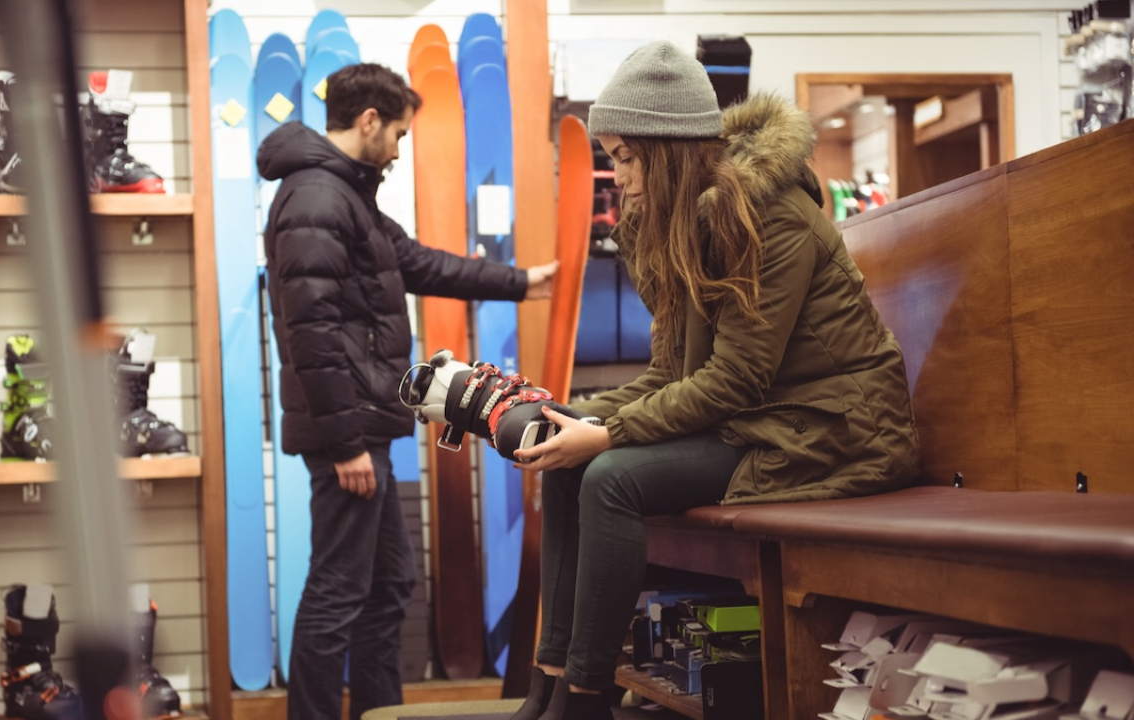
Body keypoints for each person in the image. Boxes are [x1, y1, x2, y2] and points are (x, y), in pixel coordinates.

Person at [509, 41, 920, 720]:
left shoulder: (770, 216)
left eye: (626, 157)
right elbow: (670, 375)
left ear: (668, 149)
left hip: (834, 427)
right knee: (567, 463)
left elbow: (735, 379)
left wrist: (607, 433)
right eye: (612, 158)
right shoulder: (680, 224)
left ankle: (584, 701)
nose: (618, 178)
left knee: (610, 477)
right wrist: (565, 415)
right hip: (758, 420)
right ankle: (548, 685)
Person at [256, 63, 557, 720]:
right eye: (396, 133)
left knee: (388, 584)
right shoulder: (318, 199)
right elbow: (310, 333)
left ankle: (378, 713)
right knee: (338, 592)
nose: (397, 149)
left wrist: (520, 282)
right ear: (369, 121)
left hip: (365, 424)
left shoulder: (345, 194)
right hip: (351, 432)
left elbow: (416, 262)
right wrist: (345, 444)